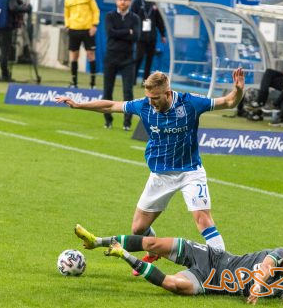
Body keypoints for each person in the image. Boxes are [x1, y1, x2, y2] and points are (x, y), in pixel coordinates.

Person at [57, 68, 245, 271]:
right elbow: (111, 105)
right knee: (138, 228)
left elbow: (228, 102)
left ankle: (225, 269)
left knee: (203, 220)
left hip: (190, 172)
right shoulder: (144, 106)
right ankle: (154, 251)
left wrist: (238, 90)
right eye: (149, 97)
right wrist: (78, 105)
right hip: (160, 175)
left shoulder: (190, 103)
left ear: (168, 92)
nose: (152, 102)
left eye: (155, 97)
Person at [73, 224, 283, 305]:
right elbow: (265, 267)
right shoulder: (278, 254)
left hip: (209, 283)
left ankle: (122, 253)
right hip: (213, 258)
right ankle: (97, 241)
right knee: (153, 243)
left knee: (173, 285)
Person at [103, 0, 140, 130]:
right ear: (116, 1)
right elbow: (110, 33)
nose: (123, 2)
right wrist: (127, 32)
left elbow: (136, 36)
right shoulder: (109, 16)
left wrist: (122, 33)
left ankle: (127, 122)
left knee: (128, 92)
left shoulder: (135, 18)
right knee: (107, 91)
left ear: (130, 2)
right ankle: (108, 120)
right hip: (111, 58)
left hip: (128, 59)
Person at [0, 0, 32, 81]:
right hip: (4, 27)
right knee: (4, 52)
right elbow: (13, 8)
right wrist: (26, 9)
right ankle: (5, 75)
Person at [64, 0, 100, 89]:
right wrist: (67, 26)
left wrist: (94, 25)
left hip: (87, 30)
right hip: (73, 30)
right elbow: (66, 14)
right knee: (74, 56)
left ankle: (93, 84)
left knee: (91, 55)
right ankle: (74, 83)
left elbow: (95, 10)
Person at [131, 0, 166, 86]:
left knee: (149, 60)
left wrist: (162, 34)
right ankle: (132, 79)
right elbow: (131, 18)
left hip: (152, 36)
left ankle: (145, 81)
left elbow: (159, 20)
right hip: (140, 36)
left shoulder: (155, 3)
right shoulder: (137, 3)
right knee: (139, 58)